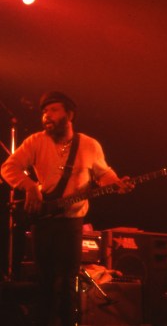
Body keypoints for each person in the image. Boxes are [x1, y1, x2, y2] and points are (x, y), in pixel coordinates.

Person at [1, 91, 133, 326]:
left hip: (72, 223)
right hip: (44, 221)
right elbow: (8, 168)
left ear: (69, 115)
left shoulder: (89, 145)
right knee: (45, 281)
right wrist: (30, 186)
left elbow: (104, 174)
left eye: (53, 110)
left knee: (67, 281)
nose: (46, 115)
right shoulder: (35, 141)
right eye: (44, 111)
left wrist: (117, 184)